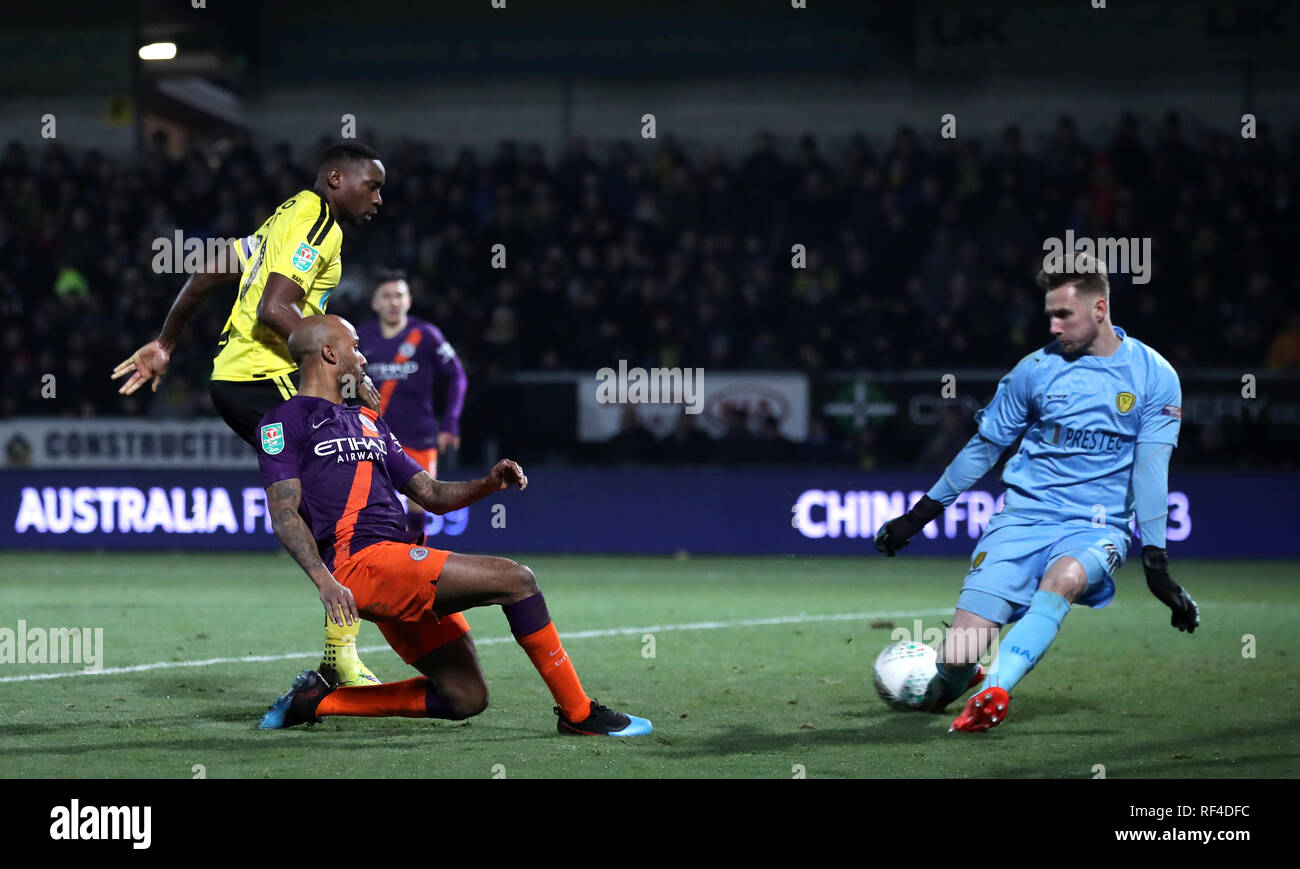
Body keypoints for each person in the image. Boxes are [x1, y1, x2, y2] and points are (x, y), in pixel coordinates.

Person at [256, 315, 651, 737]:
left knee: (464, 697)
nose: (364, 357)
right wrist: (325, 581)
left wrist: (487, 484)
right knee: (517, 579)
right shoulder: (284, 420)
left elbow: (429, 492)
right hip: (361, 567)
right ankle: (579, 714)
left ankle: (318, 702)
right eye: (355, 346)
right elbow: (283, 512)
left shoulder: (369, 420)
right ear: (330, 353)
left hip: (396, 565)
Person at [874, 254, 1198, 732]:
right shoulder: (1033, 371)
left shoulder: (1154, 375)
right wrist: (919, 516)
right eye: (1049, 314)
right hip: (1021, 520)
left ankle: (993, 693)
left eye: (1063, 314)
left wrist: (1156, 563)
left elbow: (1151, 470)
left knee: (1063, 581)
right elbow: (984, 449)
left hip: (1095, 527)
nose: (1052, 326)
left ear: (1100, 309)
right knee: (957, 657)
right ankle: (960, 681)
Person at [111, 143, 387, 688]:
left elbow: (210, 272)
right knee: (353, 486)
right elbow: (275, 309)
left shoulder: (285, 215)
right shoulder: (316, 225)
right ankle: (346, 645)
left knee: (326, 499)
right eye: (371, 185)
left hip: (233, 380)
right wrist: (344, 368)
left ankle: (342, 643)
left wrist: (166, 342)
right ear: (336, 178)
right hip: (268, 377)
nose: (379, 198)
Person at [357, 271, 467, 536]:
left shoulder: (425, 335)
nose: (393, 302)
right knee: (371, 508)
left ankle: (417, 567)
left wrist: (450, 420)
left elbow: (457, 376)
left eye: (399, 296)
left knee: (419, 506)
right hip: (373, 435)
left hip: (419, 435)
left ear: (409, 301)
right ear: (374, 303)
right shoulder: (361, 338)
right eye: (386, 296)